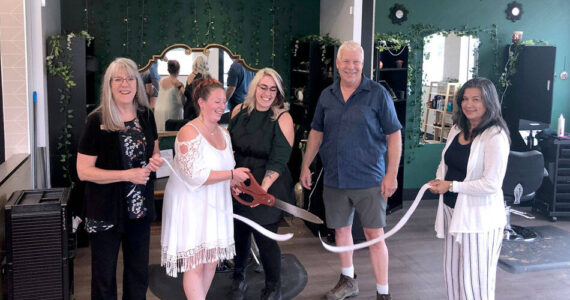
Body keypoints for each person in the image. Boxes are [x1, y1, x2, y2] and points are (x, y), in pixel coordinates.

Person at [300, 40, 402, 300]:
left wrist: (391, 174)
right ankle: (348, 281)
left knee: (374, 235)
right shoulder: (327, 95)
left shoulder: (377, 93)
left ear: (363, 64)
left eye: (356, 61)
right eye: (346, 61)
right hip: (335, 178)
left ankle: (383, 292)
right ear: (337, 64)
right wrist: (305, 165)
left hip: (370, 178)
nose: (351, 66)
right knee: (341, 231)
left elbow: (394, 135)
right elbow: (316, 132)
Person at [76, 57, 163, 299]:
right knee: (104, 278)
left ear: (137, 82)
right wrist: (127, 175)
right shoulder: (97, 120)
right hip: (104, 210)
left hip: (139, 210)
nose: (125, 84)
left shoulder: (146, 115)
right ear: (109, 84)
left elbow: (153, 152)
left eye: (129, 78)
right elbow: (84, 171)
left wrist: (155, 160)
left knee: (138, 274)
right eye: (118, 79)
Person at [160, 77, 250, 299]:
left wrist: (232, 183)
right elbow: (194, 176)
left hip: (216, 202)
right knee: (195, 264)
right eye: (217, 101)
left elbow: (225, 168)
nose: (222, 107)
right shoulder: (188, 132)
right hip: (191, 203)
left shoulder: (225, 134)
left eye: (224, 102)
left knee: (211, 261)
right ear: (201, 102)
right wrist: (231, 174)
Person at [428, 77, 510, 300]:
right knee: (453, 276)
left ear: (489, 103)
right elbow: (445, 162)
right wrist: (439, 180)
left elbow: (492, 184)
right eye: (465, 99)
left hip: (479, 220)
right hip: (452, 212)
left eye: (476, 99)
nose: (469, 104)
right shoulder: (457, 129)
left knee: (475, 284)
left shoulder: (495, 136)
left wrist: (451, 186)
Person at [228, 68, 295, 300]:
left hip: (268, 183)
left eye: (272, 89)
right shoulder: (239, 111)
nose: (266, 93)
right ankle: (238, 278)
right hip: (238, 181)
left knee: (266, 238)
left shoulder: (282, 118)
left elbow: (279, 159)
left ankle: (273, 286)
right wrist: (231, 177)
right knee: (239, 234)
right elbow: (229, 149)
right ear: (254, 87)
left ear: (278, 93)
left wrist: (260, 190)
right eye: (263, 87)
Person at [154, 59, 184, 131]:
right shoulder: (178, 84)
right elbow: (181, 102)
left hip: (158, 109)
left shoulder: (162, 80)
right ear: (178, 70)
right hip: (171, 111)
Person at [184, 55, 211, 120]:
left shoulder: (190, 76)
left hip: (188, 107)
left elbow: (187, 93)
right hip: (200, 107)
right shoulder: (206, 76)